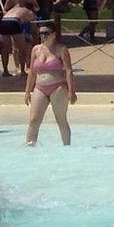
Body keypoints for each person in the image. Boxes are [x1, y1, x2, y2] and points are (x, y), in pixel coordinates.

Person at [23, 18, 75, 146]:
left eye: (46, 33)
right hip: (40, 87)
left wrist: (71, 91)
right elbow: (32, 72)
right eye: (40, 33)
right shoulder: (36, 49)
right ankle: (30, 146)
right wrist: (27, 91)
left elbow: (68, 71)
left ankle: (66, 147)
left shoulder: (61, 49)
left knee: (60, 119)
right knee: (34, 120)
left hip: (57, 87)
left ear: (53, 34)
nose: (42, 36)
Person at [0, 0, 37, 78]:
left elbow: (37, 7)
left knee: (6, 48)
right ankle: (22, 71)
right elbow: (34, 26)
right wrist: (34, 36)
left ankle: (5, 71)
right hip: (14, 21)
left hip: (5, 21)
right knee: (21, 48)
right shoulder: (29, 11)